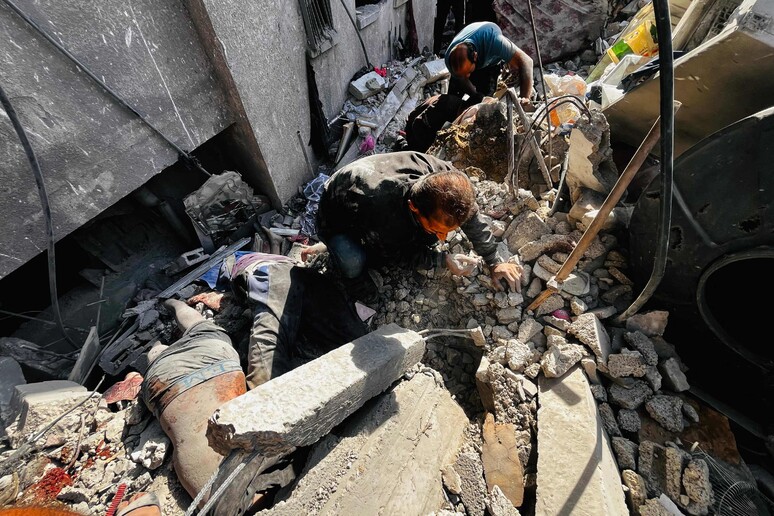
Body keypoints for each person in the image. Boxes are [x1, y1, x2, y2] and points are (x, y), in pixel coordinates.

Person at [301, 151, 522, 296]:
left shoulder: (449, 182)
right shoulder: (380, 209)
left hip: (375, 193)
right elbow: (397, 255)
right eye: (437, 229)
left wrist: (494, 261)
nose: (443, 238)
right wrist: (441, 260)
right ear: (414, 207)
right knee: (352, 261)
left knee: (424, 237)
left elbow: (470, 216)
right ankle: (340, 263)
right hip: (338, 214)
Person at [444, 21, 534, 103]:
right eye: (463, 74)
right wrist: (476, 96)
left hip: (489, 55)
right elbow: (462, 79)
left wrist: (525, 97)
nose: (467, 76)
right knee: (453, 99)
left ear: (475, 56)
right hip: (471, 59)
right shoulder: (450, 59)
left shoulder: (494, 41)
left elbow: (526, 61)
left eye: (468, 72)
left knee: (487, 98)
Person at [399, 93, 478, 153]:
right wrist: (430, 148)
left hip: (429, 129)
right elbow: (416, 125)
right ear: (466, 109)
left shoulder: (458, 113)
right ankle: (401, 142)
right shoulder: (445, 106)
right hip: (414, 128)